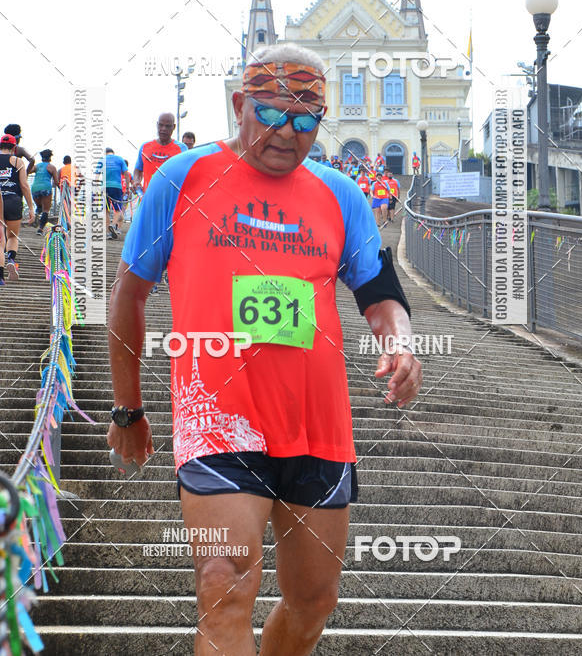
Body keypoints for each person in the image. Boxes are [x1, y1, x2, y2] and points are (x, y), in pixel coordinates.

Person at [108, 42, 420, 656]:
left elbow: (382, 293)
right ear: (238, 104)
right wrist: (128, 408)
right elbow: (129, 295)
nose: (288, 133)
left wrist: (402, 344)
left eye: (306, 120)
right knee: (223, 583)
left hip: (317, 427)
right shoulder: (183, 177)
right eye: (272, 114)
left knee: (312, 601)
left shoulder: (341, 194)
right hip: (219, 423)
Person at [0, 133, 35, 279]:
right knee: (12, 237)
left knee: (0, 239)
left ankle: (0, 277)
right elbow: (25, 186)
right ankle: (11, 260)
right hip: (13, 201)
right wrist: (31, 208)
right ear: (14, 147)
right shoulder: (18, 162)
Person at [132, 113, 186, 192]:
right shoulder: (145, 147)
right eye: (161, 125)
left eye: (167, 126)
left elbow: (186, 174)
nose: (163, 129)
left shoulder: (182, 149)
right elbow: (138, 169)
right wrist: (136, 181)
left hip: (172, 200)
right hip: (148, 198)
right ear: (157, 125)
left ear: (174, 127)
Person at [97, 148, 129, 239]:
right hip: (116, 187)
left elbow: (97, 175)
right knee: (118, 209)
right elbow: (126, 173)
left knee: (106, 210)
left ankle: (107, 233)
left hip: (104, 187)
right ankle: (113, 224)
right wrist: (127, 187)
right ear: (113, 153)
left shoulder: (102, 160)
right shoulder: (119, 159)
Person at [31, 149, 59, 235]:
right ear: (50, 158)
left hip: (35, 188)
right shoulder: (52, 167)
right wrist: (60, 188)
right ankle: (40, 229)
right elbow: (56, 181)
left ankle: (37, 212)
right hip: (46, 188)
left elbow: (27, 171)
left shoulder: (36, 166)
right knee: (46, 210)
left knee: (39, 206)